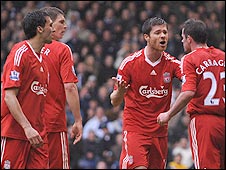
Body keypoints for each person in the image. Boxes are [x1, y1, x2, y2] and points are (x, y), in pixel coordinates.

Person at [110, 17, 182, 169]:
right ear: (146, 37)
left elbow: (191, 82)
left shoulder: (173, 64)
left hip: (160, 132)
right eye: (157, 33)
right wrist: (121, 92)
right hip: (136, 130)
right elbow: (114, 101)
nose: (163, 36)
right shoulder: (130, 63)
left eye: (165, 32)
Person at [157, 18, 225, 169]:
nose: (182, 42)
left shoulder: (189, 59)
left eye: (182, 38)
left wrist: (169, 114)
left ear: (189, 39)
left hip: (204, 121)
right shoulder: (223, 57)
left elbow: (188, 92)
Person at [1, 10, 53, 169]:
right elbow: (9, 97)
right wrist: (27, 127)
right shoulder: (20, 53)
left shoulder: (43, 61)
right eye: (50, 25)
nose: (54, 29)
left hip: (37, 135)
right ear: (40, 29)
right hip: (16, 132)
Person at [40, 7, 83, 169]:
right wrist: (78, 120)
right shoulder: (62, 49)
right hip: (53, 123)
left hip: (29, 124)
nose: (65, 26)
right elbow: (70, 87)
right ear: (49, 24)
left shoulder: (23, 49)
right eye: (61, 22)